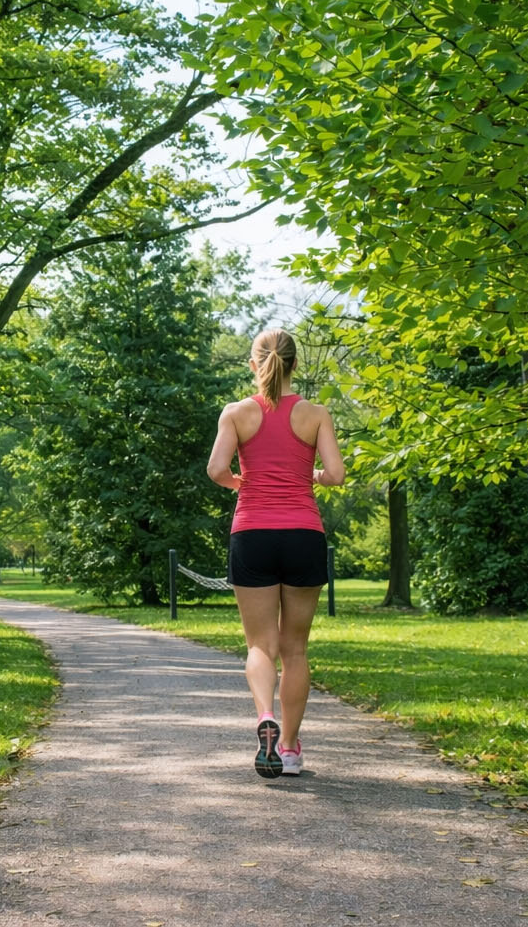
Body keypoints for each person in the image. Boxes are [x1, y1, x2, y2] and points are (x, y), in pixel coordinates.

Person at [206, 328, 345, 778]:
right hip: (304, 533)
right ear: (296, 365)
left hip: (252, 534)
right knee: (296, 649)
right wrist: (316, 477)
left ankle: (264, 713)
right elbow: (337, 474)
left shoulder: (237, 413)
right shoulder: (315, 414)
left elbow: (216, 469)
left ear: (254, 364)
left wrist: (237, 483)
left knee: (259, 645)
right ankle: (287, 747)